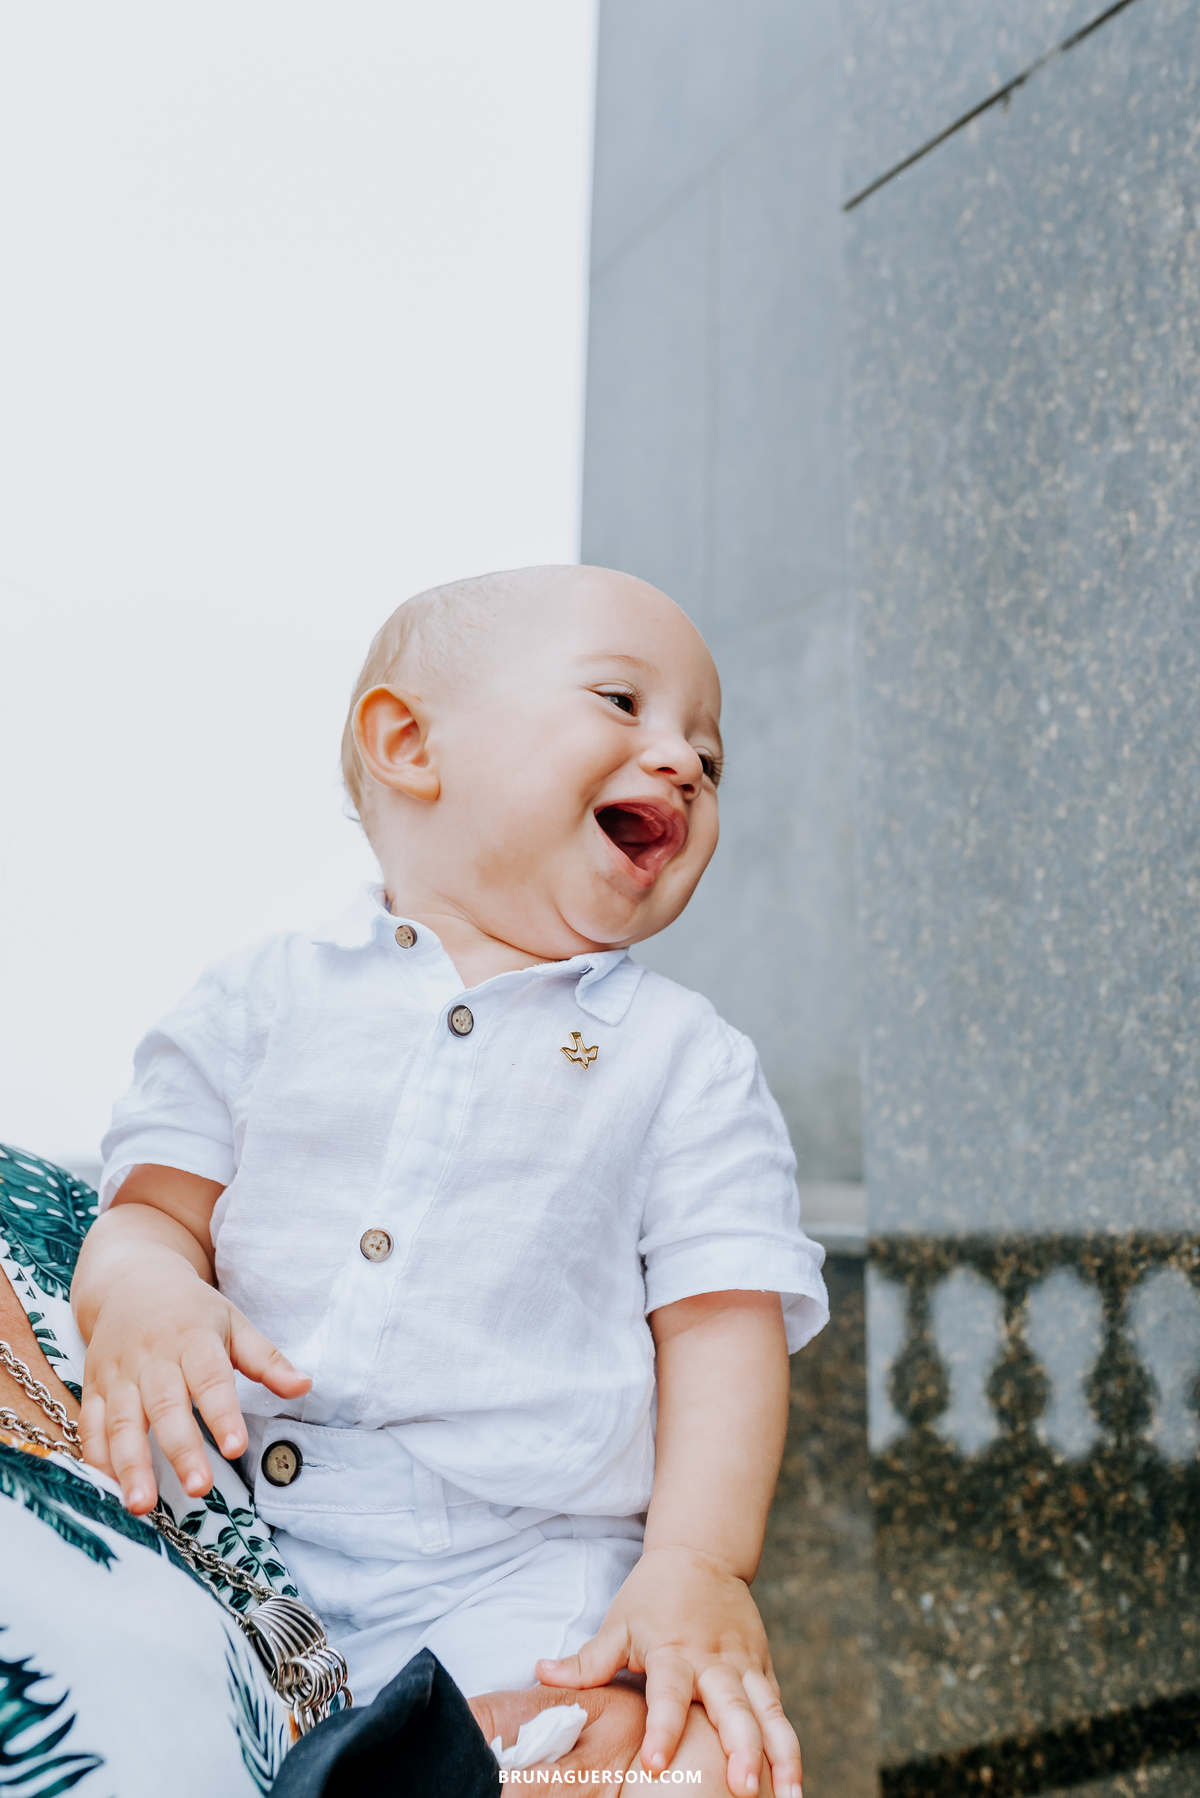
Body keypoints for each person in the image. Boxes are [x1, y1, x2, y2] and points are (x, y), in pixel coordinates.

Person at [71, 565, 828, 1798]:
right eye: (622, 701)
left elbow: (723, 1319)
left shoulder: (685, 1058)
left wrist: (697, 1561)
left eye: (709, 751)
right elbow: (150, 1218)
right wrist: (146, 1296)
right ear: (410, 742)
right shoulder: (264, 997)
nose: (682, 760)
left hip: (522, 1578)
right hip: (234, 1543)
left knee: (685, 1761)